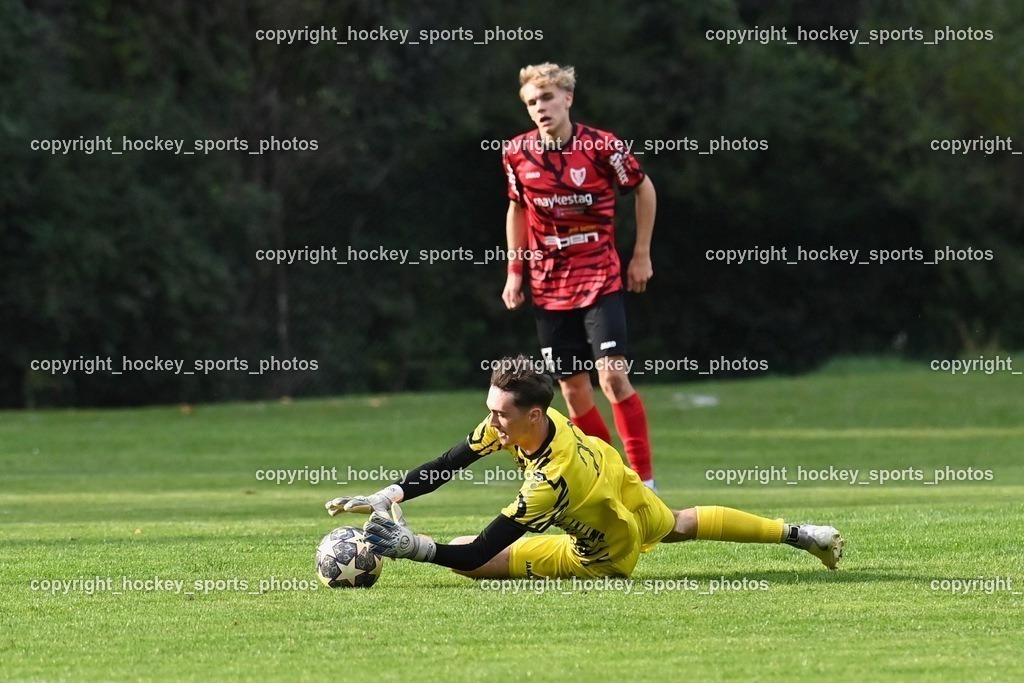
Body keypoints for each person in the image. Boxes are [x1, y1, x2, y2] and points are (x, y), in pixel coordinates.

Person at [325, 357, 844, 579]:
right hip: (622, 487)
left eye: (499, 413)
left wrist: (415, 548)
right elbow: (448, 463)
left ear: (531, 415)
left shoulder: (548, 484)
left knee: (466, 558)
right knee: (679, 522)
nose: (490, 421)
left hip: (603, 549)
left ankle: (611, 559)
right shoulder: (529, 421)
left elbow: (480, 550)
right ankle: (801, 534)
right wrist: (389, 494)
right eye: (490, 409)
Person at [500, 62, 658, 489]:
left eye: (547, 98)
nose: (540, 107)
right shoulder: (516, 152)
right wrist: (514, 271)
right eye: (532, 102)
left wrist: (641, 253)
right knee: (572, 391)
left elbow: (643, 188)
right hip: (549, 284)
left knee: (613, 376)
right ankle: (612, 479)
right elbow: (517, 208)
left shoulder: (602, 146)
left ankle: (645, 483)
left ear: (567, 98)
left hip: (599, 276)